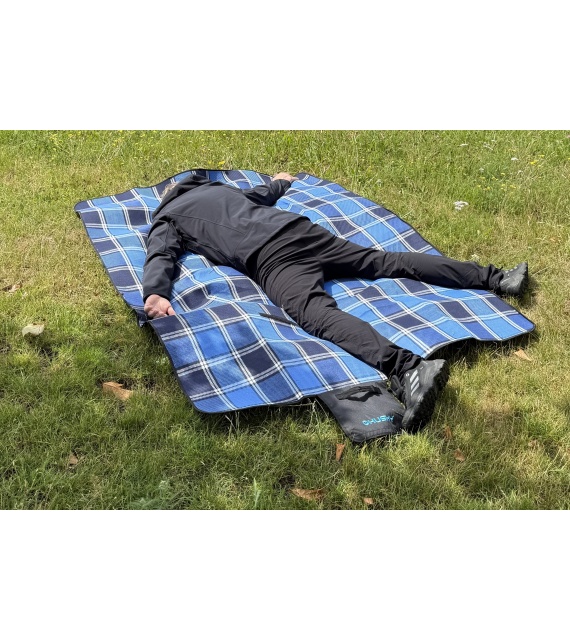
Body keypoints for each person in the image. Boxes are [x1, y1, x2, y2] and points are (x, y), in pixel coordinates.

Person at [142, 172, 529, 432]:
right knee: (385, 262)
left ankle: (408, 368)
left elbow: (161, 254)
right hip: (300, 230)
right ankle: (496, 277)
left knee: (315, 314)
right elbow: (261, 195)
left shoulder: (168, 216)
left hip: (272, 257)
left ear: (166, 199)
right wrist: (280, 182)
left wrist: (155, 292)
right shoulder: (221, 190)